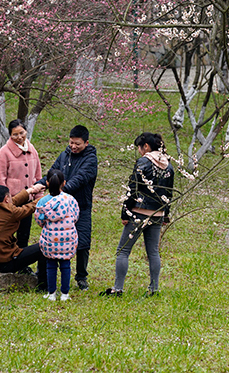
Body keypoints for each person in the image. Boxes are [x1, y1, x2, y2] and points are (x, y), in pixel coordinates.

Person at [101, 132, 174, 297]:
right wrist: (166, 214)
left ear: (146, 146)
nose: (140, 152)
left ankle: (118, 288)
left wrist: (125, 212)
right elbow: (168, 193)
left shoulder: (143, 162)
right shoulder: (169, 164)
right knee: (153, 251)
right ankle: (154, 288)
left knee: (123, 250)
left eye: (140, 148)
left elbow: (132, 189)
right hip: (157, 213)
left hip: (139, 212)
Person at [45, 125, 98, 290]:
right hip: (61, 209)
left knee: (82, 243)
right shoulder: (64, 155)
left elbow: (79, 179)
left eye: (78, 144)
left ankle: (81, 277)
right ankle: (49, 273)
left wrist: (58, 191)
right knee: (54, 239)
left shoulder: (90, 159)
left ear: (86, 143)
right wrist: (40, 185)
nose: (74, 147)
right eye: (71, 143)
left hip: (81, 207)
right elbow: (52, 174)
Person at [0, 183, 47, 289]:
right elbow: (30, 207)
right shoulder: (10, 213)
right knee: (44, 247)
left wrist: (31, 190)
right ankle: (42, 284)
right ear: (6, 199)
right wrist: (47, 198)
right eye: (9, 196)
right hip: (2, 264)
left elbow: (13, 201)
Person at [0, 119, 42, 248]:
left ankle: (23, 265)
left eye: (21, 133)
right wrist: (3, 202)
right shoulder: (4, 152)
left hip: (28, 200)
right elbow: (0, 179)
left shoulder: (32, 149)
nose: (19, 137)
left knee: (24, 234)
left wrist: (39, 198)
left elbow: (38, 176)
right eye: (15, 134)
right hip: (12, 201)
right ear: (10, 135)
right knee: (9, 234)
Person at [35, 172, 79, 301]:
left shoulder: (43, 201)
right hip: (68, 239)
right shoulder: (70, 199)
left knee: (51, 265)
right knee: (66, 265)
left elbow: (39, 220)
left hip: (50, 239)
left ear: (47, 183)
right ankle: (65, 294)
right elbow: (75, 216)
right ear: (64, 183)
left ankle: (52, 293)